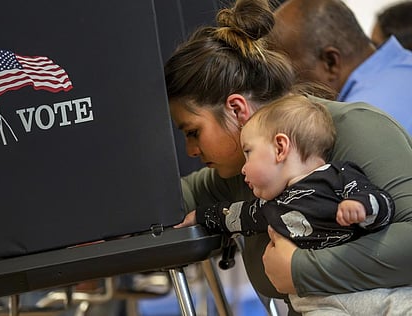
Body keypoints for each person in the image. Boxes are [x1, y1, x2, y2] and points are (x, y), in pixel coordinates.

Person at [164, 0, 412, 314]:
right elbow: (167, 201)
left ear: (237, 109)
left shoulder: (356, 129)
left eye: (193, 131)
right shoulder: (240, 172)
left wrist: (301, 269)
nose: (191, 150)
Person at [175, 94, 412, 314]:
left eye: (248, 152)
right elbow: (232, 216)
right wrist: (200, 216)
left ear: (280, 148)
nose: (244, 168)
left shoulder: (338, 174)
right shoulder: (267, 206)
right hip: (315, 304)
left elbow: (381, 202)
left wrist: (363, 208)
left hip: (369, 291)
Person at [267, 0, 412, 134]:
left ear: (330, 62)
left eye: (291, 74)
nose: (286, 90)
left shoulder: (356, 123)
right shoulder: (404, 65)